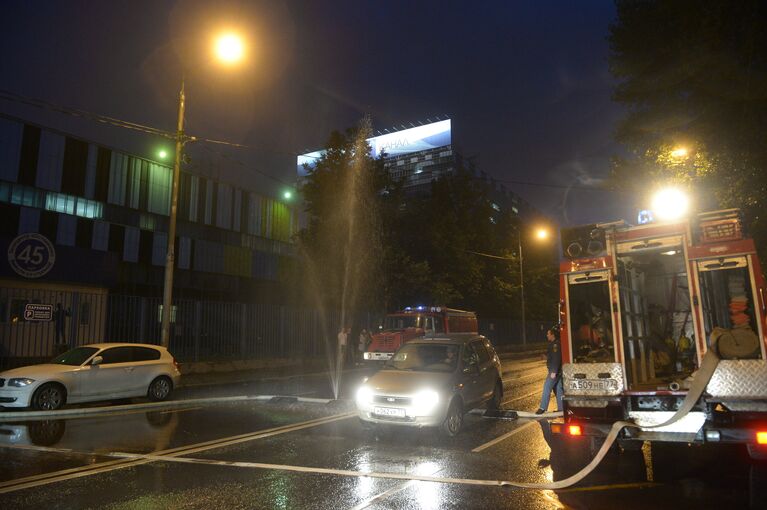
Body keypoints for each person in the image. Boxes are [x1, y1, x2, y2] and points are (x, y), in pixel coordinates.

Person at [536, 327, 563, 414]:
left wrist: (553, 373)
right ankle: (561, 409)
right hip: (558, 371)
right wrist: (546, 357)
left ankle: (543, 408)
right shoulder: (555, 344)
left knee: (547, 387)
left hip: (554, 371)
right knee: (559, 389)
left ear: (552, 335)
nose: (547, 335)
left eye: (548, 334)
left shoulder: (555, 345)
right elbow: (553, 357)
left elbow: (556, 359)